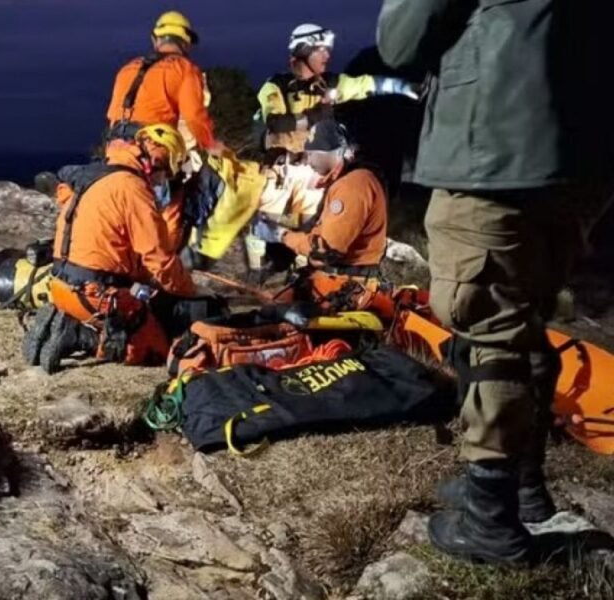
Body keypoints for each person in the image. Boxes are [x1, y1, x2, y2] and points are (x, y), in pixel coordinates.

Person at [378, 0, 613, 567]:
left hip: (493, 146)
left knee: (489, 324)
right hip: (577, 153)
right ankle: (522, 489)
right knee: (527, 316)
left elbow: (403, 39)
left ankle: (490, 514)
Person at [24, 124, 226, 372]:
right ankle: (79, 336)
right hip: (96, 294)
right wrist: (190, 289)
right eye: (163, 171)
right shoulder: (133, 188)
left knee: (143, 304)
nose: (160, 181)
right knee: (157, 348)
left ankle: (69, 319)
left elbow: (123, 252)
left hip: (61, 285)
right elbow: (160, 261)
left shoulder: (99, 176)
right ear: (154, 159)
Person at [251, 120, 389, 310]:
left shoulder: (353, 186)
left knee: (273, 320)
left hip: (346, 287)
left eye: (313, 153)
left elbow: (326, 250)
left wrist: (281, 236)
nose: (308, 160)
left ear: (336, 152)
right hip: (335, 281)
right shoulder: (347, 181)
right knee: (271, 308)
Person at [256, 23, 419, 156]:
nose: (327, 56)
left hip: (318, 165)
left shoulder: (329, 82)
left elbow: (364, 85)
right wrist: (317, 115)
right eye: (321, 50)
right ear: (304, 50)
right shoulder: (276, 86)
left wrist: (402, 86)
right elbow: (276, 123)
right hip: (283, 167)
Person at [105, 12, 224, 157]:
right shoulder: (185, 68)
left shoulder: (127, 69)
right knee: (207, 179)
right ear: (186, 43)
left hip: (114, 147)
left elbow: (113, 116)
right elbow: (193, 116)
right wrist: (211, 145)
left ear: (154, 40)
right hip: (152, 148)